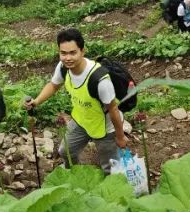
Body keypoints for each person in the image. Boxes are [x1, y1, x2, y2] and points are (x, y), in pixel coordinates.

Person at [23, 29, 127, 173]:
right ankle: (78, 178)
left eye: (73, 53)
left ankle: (112, 192)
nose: (67, 58)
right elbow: (53, 85)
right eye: (63, 53)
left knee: (110, 168)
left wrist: (120, 136)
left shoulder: (99, 80)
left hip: (105, 127)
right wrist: (36, 101)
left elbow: (113, 109)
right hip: (81, 120)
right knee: (66, 152)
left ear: (82, 51)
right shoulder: (63, 68)